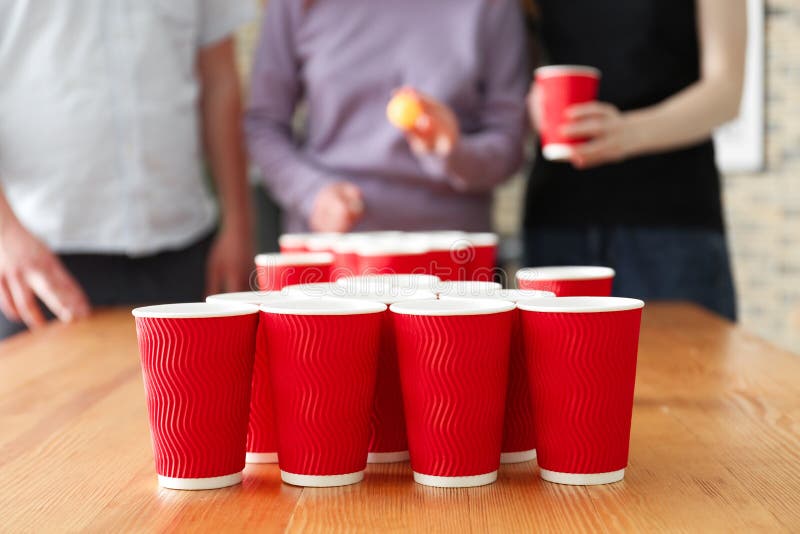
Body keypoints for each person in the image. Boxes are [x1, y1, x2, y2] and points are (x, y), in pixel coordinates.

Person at [0, 0, 256, 339]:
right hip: (42, 262)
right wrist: (4, 233)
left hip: (188, 251)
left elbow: (220, 78)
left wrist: (238, 224)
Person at [523, 0, 746, 320]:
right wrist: (531, 103)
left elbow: (726, 91)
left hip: (671, 223)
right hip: (559, 218)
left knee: (689, 366)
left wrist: (627, 133)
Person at [245, 0, 528, 234]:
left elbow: (511, 145)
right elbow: (263, 125)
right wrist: (312, 192)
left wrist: (452, 151)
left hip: (453, 260)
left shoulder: (493, 6)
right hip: (331, 255)